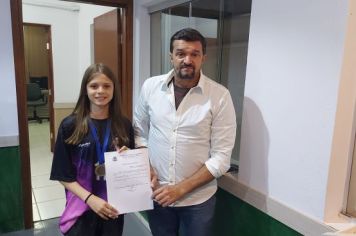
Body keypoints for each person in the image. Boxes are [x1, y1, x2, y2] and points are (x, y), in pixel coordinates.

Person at [134, 28, 236, 236]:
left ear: (203, 58)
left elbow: (221, 158)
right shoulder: (151, 87)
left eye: (194, 54)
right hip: (158, 194)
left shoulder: (219, 96)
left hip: (198, 202)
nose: (187, 60)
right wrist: (145, 165)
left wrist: (180, 189)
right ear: (171, 56)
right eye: (181, 53)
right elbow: (139, 131)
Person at [50, 63, 135, 236]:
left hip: (113, 208)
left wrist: (128, 159)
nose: (100, 91)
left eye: (106, 86)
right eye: (94, 86)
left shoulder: (124, 125)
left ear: (113, 90)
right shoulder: (70, 125)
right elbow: (62, 174)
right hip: (81, 208)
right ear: (85, 90)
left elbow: (130, 172)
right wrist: (91, 199)